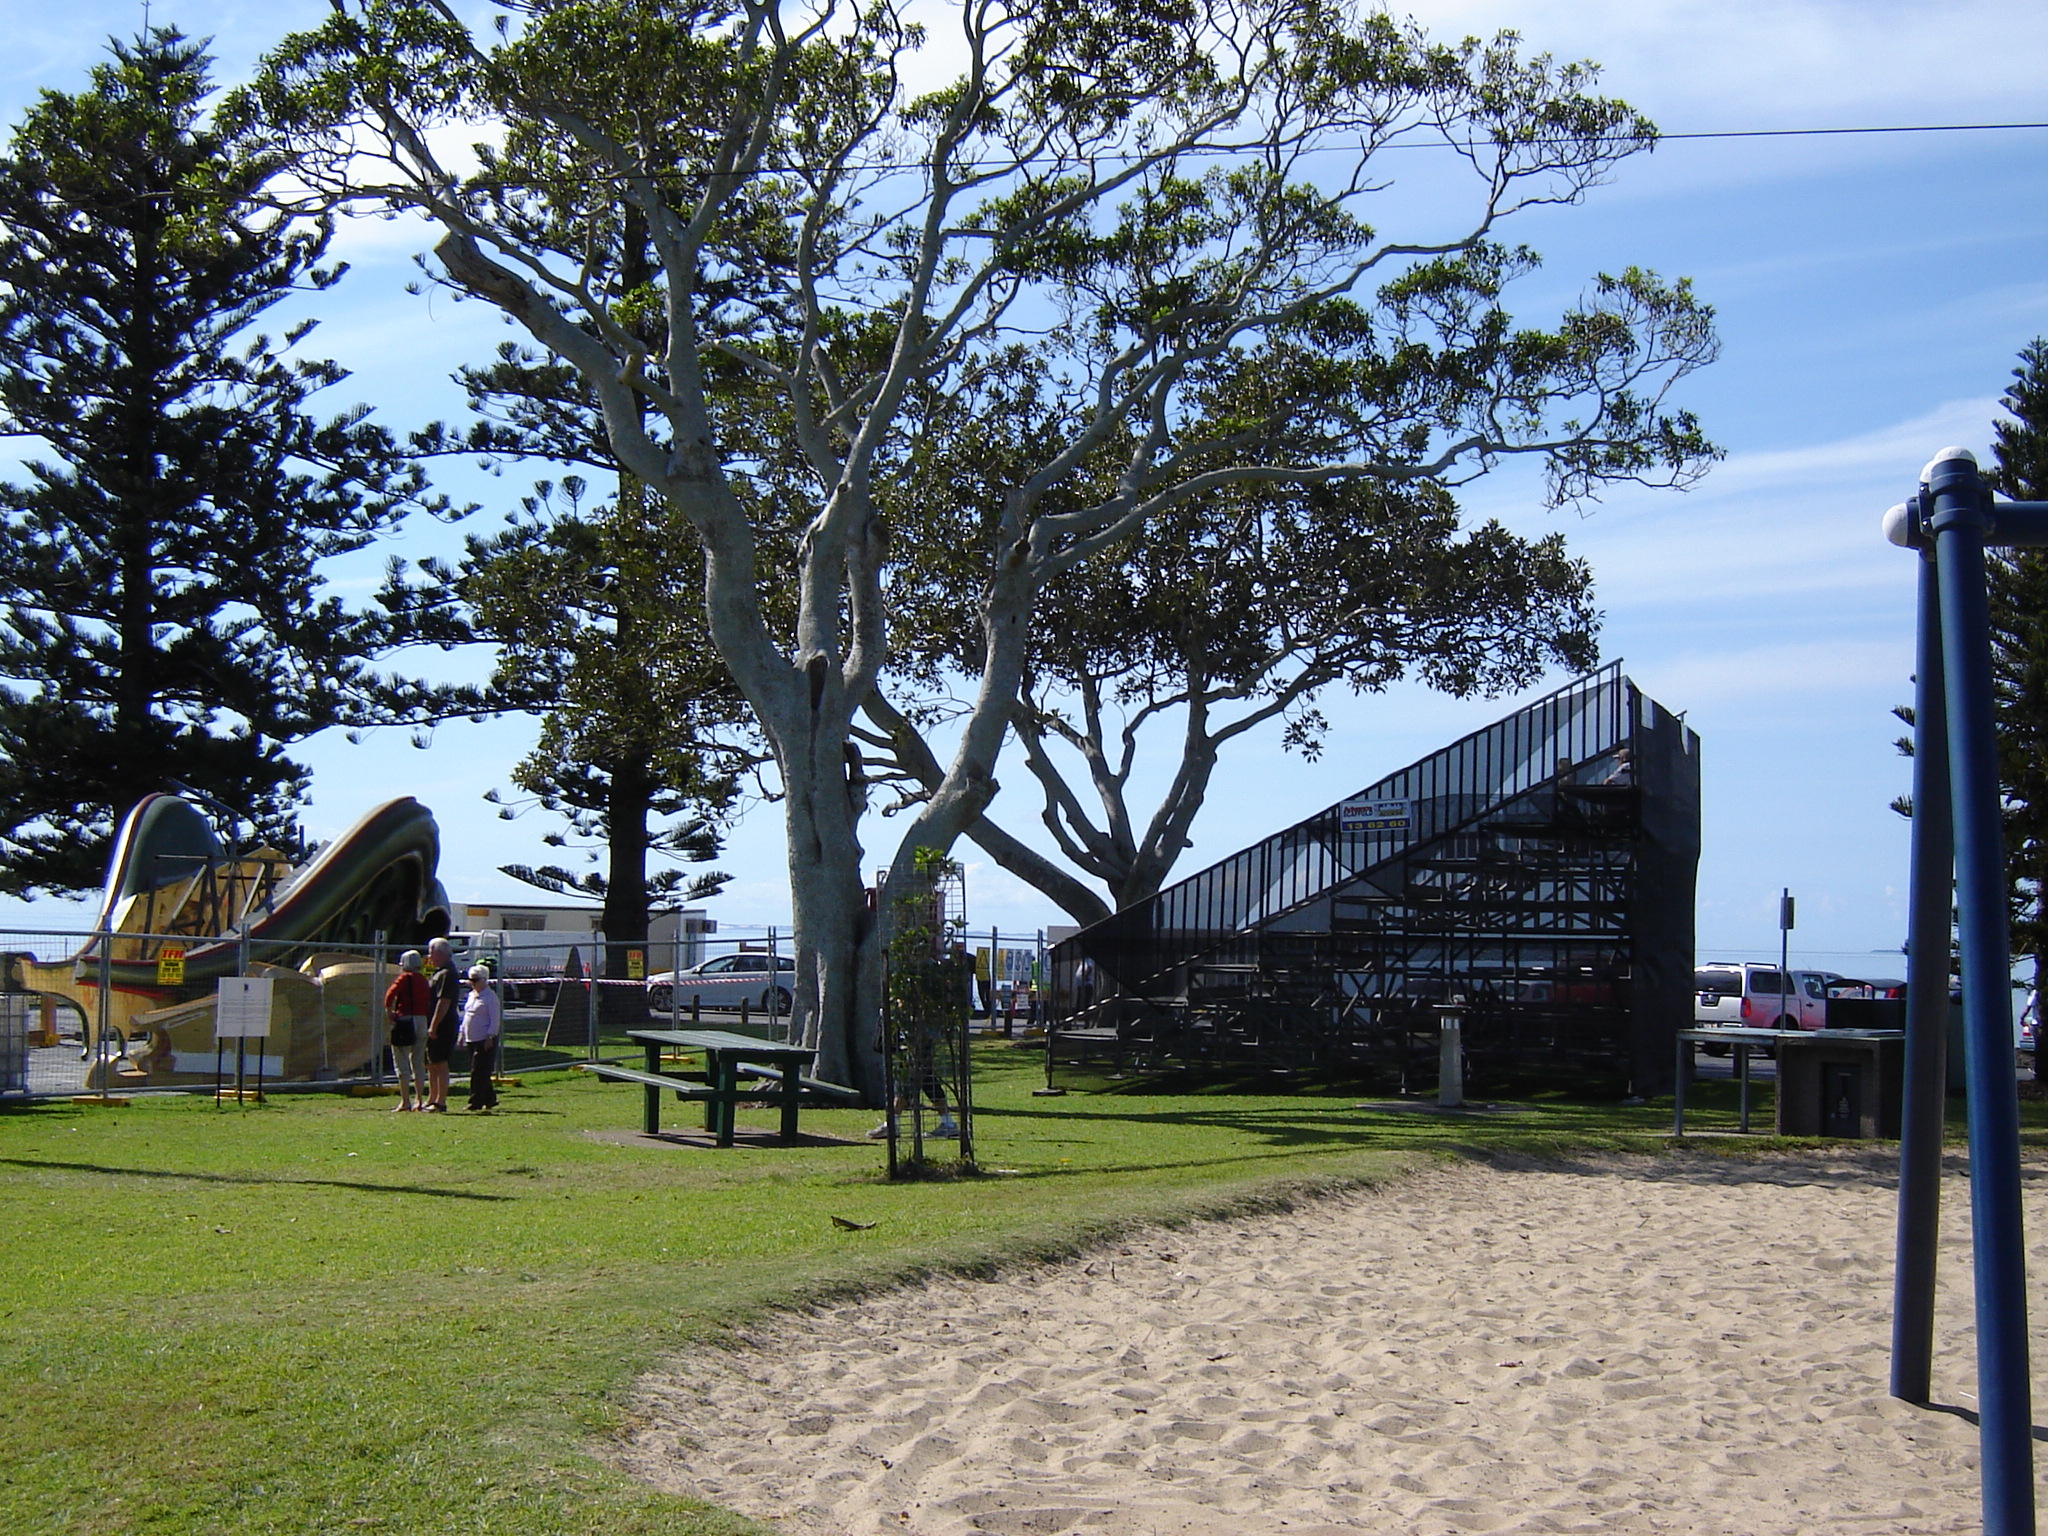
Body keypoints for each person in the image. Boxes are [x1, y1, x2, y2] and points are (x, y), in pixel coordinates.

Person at [382, 950, 432, 1112]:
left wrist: (390, 1013)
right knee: (418, 1061)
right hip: (421, 1020)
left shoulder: (404, 978)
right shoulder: (424, 980)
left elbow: (389, 996)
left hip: (405, 1021)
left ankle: (405, 1101)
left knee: (401, 1060)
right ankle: (419, 1100)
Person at [422, 936, 460, 1112]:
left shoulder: (447, 973)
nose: (429, 956)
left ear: (440, 953)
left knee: (440, 1062)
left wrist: (434, 1026)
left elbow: (444, 1002)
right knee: (431, 1063)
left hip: (443, 1025)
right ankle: (431, 1098)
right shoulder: (438, 972)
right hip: (432, 1022)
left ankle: (440, 1101)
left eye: (432, 952)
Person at [458, 964, 502, 1113]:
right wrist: (462, 1033)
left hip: (484, 1039)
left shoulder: (490, 998)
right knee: (481, 1071)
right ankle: (490, 1098)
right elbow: (467, 1016)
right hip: (472, 1038)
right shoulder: (471, 996)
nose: (472, 983)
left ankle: (475, 1101)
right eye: (470, 980)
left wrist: (490, 1036)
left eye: (475, 980)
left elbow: (495, 1019)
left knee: (477, 1071)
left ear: (484, 980)